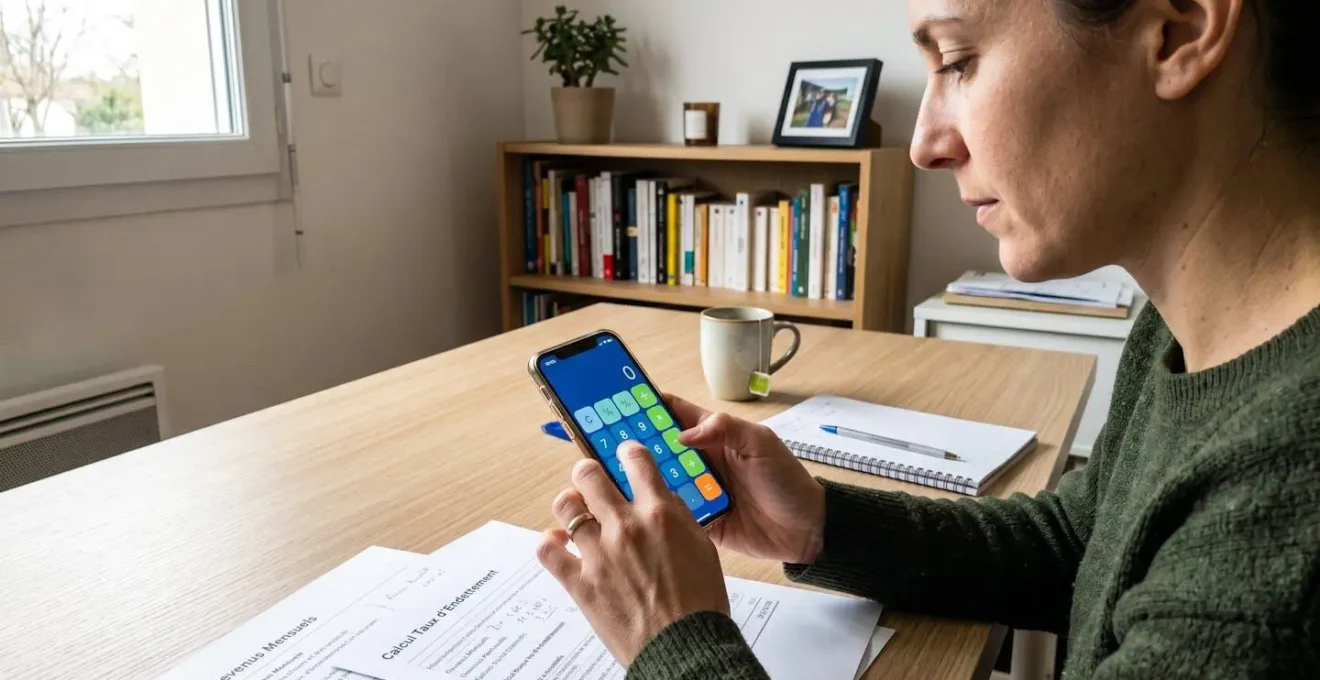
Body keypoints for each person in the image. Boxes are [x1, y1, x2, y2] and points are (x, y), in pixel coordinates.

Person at [537, 0, 1320, 677]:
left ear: (1178, 32)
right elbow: (1078, 541)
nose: (924, 144)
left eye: (958, 60)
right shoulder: (1190, 326)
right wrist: (818, 524)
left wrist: (674, 638)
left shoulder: (1289, 485)